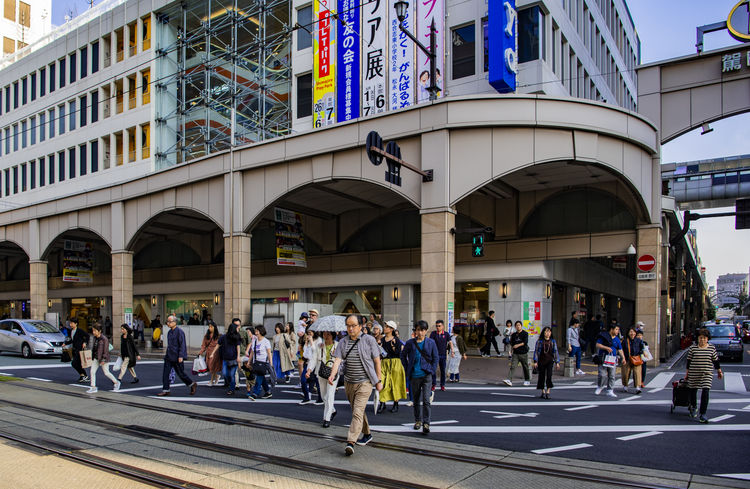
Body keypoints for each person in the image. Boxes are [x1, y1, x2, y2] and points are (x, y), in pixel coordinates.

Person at [327, 314, 383, 456]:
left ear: (360, 326)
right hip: (349, 382)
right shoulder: (343, 342)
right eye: (348, 326)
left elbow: (377, 361)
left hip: (365, 382)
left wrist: (379, 381)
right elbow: (337, 361)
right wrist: (332, 375)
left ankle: (351, 441)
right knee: (357, 411)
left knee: (357, 412)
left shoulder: (369, 340)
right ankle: (367, 434)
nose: (350, 328)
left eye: (353, 326)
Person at [401, 320, 439, 435]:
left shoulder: (431, 342)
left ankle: (426, 423)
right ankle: (418, 420)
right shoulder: (410, 343)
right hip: (414, 375)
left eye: (422, 330)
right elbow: (403, 355)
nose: (420, 332)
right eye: (418, 330)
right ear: (415, 331)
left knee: (426, 400)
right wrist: (407, 368)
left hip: (426, 374)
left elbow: (435, 357)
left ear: (426, 331)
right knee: (416, 400)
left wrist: (432, 370)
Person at [686, 328, 723, 423]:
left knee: (706, 391)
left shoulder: (711, 348)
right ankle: (694, 406)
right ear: (698, 339)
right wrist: (687, 373)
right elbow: (689, 361)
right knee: (692, 390)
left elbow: (715, 360)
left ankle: (703, 414)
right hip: (694, 373)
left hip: (707, 373)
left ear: (707, 339)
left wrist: (719, 371)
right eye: (700, 338)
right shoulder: (693, 348)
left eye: (704, 338)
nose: (702, 340)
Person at [156, 315, 197, 397]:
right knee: (165, 374)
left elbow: (182, 345)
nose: (168, 323)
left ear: (175, 322)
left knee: (181, 374)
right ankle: (166, 390)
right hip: (169, 356)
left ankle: (192, 384)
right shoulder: (169, 332)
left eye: (170, 322)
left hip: (177, 356)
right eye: (167, 322)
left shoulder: (179, 332)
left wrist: (181, 356)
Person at [377, 320, 407, 413]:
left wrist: (393, 346)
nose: (385, 328)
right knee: (382, 382)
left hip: (395, 363)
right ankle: (382, 402)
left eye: (386, 327)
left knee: (395, 383)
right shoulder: (382, 340)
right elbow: (379, 353)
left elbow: (398, 353)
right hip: (384, 363)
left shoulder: (396, 340)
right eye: (385, 326)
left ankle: (395, 403)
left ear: (391, 329)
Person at [314, 331, 339, 427]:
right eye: (324, 334)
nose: (326, 336)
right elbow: (314, 358)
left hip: (333, 372)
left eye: (328, 334)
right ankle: (332, 410)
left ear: (332, 335)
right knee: (323, 395)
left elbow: (342, 358)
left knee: (330, 395)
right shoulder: (320, 345)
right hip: (321, 371)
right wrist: (309, 370)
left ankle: (326, 418)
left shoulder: (338, 345)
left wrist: (335, 354)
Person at [87, 323, 120, 393]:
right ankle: (93, 387)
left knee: (106, 373)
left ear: (99, 331)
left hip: (103, 358)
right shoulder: (95, 338)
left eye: (95, 331)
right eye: (93, 331)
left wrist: (104, 359)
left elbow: (105, 351)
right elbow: (94, 349)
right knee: (92, 371)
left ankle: (116, 382)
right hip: (96, 358)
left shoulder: (104, 339)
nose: (93, 332)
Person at [594, 323, 625, 397]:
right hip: (603, 357)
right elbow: (597, 345)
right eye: (616, 329)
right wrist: (606, 348)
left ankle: (610, 390)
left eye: (618, 330)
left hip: (612, 359)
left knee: (612, 375)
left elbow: (620, 349)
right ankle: (600, 386)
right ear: (612, 329)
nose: (617, 331)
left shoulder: (617, 339)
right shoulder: (604, 336)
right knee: (602, 374)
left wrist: (623, 357)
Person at [533, 326, 560, 399]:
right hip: (541, 361)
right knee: (541, 376)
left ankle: (548, 391)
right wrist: (535, 361)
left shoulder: (553, 341)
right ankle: (543, 391)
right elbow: (536, 351)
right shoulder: (539, 341)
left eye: (549, 332)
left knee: (549, 375)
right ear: (543, 333)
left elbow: (555, 352)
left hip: (550, 361)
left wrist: (557, 362)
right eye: (546, 332)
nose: (547, 333)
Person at [248, 325, 274, 399]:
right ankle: (268, 391)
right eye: (255, 331)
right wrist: (249, 362)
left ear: (261, 331)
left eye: (257, 331)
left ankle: (255, 393)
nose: (256, 333)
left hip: (263, 362)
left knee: (259, 378)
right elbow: (252, 352)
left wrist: (271, 363)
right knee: (261, 377)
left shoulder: (266, 341)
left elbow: (269, 353)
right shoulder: (255, 341)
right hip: (256, 362)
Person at [299, 329, 323, 405]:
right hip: (308, 363)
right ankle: (306, 397)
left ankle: (320, 398)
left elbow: (316, 351)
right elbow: (305, 354)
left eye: (310, 333)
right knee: (303, 380)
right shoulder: (308, 341)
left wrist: (312, 342)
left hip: (316, 363)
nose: (309, 335)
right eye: (308, 333)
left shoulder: (319, 340)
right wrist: (306, 343)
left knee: (317, 382)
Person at [218, 322, 242, 395]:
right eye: (237, 328)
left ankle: (232, 389)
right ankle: (231, 384)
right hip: (225, 358)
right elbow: (218, 344)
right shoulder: (224, 337)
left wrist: (238, 357)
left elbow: (238, 347)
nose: (238, 329)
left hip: (234, 358)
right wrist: (212, 353)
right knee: (225, 374)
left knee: (232, 375)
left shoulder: (237, 337)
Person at [504, 321, 530, 386]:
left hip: (523, 353)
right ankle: (509, 380)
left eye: (519, 325)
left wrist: (517, 345)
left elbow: (525, 342)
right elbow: (511, 343)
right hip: (515, 354)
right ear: (515, 327)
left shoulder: (525, 333)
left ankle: (527, 380)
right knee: (513, 366)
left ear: (521, 326)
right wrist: (512, 351)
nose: (518, 326)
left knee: (525, 367)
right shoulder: (513, 335)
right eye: (517, 325)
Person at [64, 317, 89, 383]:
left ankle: (84, 375)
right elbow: (72, 340)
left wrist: (85, 342)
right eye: (70, 323)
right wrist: (65, 343)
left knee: (74, 363)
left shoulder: (79, 331)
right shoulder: (71, 331)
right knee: (78, 363)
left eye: (72, 323)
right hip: (74, 349)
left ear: (76, 324)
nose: (70, 324)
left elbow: (87, 336)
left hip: (79, 349)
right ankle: (83, 375)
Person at [621, 327, 644, 394]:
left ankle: (637, 387)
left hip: (636, 359)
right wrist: (623, 358)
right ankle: (625, 385)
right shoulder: (625, 341)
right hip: (627, 359)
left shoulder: (638, 340)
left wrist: (640, 354)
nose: (632, 333)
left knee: (637, 373)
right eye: (631, 332)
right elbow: (621, 349)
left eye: (633, 332)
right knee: (625, 373)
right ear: (628, 333)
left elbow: (642, 348)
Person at [429, 320, 451, 391]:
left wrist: (452, 351)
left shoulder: (446, 334)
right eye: (437, 326)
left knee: (443, 371)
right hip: (434, 355)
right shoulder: (433, 334)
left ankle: (442, 385)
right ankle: (433, 384)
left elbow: (450, 342)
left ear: (443, 326)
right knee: (434, 370)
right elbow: (430, 343)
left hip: (443, 355)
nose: (438, 327)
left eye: (439, 326)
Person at [198, 321, 221, 386]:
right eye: (209, 327)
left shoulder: (218, 336)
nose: (209, 328)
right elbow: (203, 345)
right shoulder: (207, 335)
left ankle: (211, 381)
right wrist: (201, 352)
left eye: (211, 327)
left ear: (214, 327)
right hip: (208, 352)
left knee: (212, 366)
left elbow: (219, 344)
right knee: (210, 367)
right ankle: (216, 377)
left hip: (216, 353)